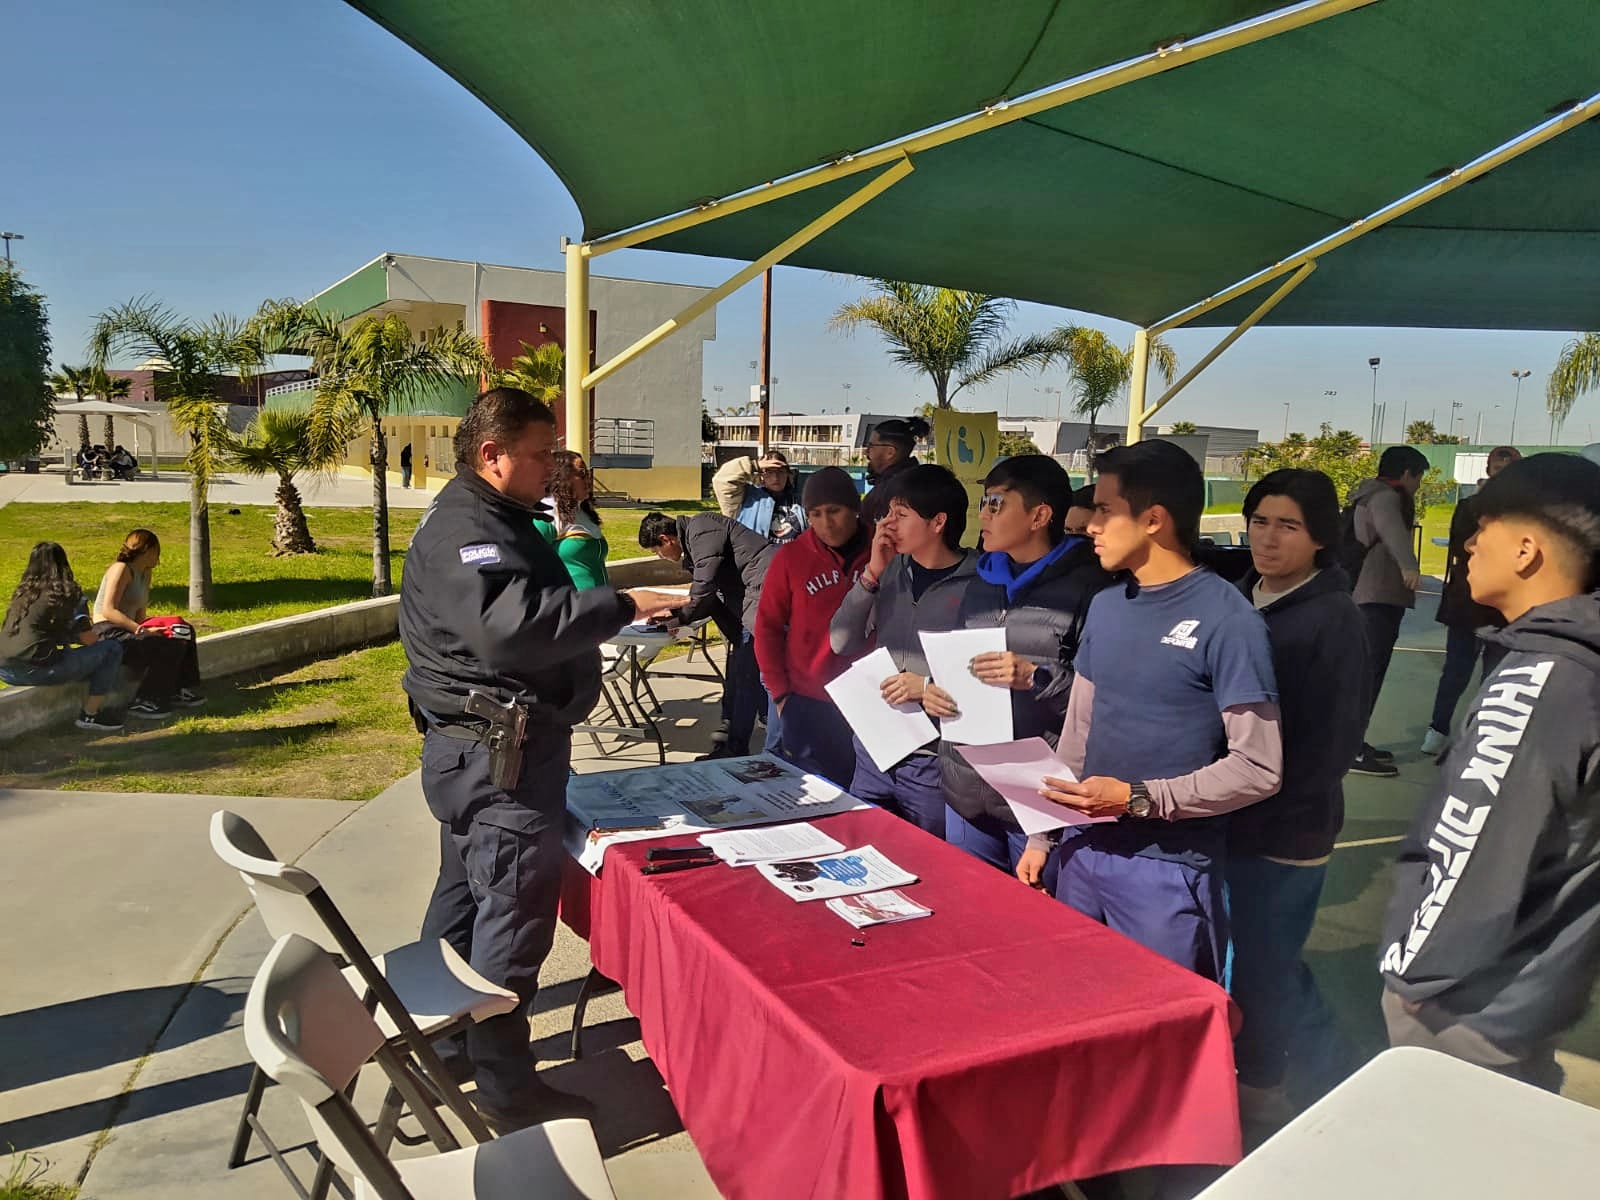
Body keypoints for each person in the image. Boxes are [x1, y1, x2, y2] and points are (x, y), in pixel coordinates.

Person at [400, 387, 678, 1130]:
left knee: (464, 898)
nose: (551, 467)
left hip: (478, 755)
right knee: (512, 921)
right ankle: (506, 1087)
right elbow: (510, 628)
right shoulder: (468, 526)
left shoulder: (489, 515)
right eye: (539, 453)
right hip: (500, 765)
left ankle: (448, 1043)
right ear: (491, 455)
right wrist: (624, 605)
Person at [1021, 440, 1282, 982]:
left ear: (1155, 520)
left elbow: (1259, 767)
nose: (1091, 524)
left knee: (1159, 1037)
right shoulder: (1107, 605)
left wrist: (1140, 798)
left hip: (1166, 870)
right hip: (1082, 853)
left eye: (1106, 510)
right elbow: (1080, 731)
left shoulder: (1229, 621)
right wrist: (1044, 835)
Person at [1380, 453, 1600, 1091]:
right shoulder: (1564, 662)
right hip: (1520, 995)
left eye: (1483, 527)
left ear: (1528, 548)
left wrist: (1416, 974)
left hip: (1467, 1010)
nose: (1469, 543)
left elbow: (1477, 845)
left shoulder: (1542, 679)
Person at [1229, 469, 1366, 1118]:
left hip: (1286, 832)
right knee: (1259, 959)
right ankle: (1319, 1074)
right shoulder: (1235, 596)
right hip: (1220, 818)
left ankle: (1307, 1084)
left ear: (1318, 538)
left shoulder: (1333, 618)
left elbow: (1328, 749)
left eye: (1288, 526)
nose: (1269, 538)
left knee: (1268, 967)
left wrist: (1249, 802)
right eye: (1260, 521)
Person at [929, 455, 1110, 874]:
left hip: (1038, 803)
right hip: (967, 792)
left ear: (1039, 515)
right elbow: (961, 668)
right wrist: (936, 693)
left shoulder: (1093, 590)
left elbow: (1102, 706)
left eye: (997, 504)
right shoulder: (981, 580)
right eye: (984, 503)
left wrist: (1035, 678)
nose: (983, 515)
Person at [830, 463, 977, 834]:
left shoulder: (981, 585)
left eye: (901, 514)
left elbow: (985, 682)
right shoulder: (891, 572)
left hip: (932, 762)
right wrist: (871, 575)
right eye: (887, 514)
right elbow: (841, 641)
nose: (887, 525)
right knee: (860, 847)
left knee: (927, 867)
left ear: (938, 522)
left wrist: (925, 686)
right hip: (873, 748)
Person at [752, 467, 870, 784]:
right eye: (815, 514)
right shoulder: (791, 558)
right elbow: (767, 628)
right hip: (809, 700)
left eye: (834, 511)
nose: (825, 523)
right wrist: (781, 695)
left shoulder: (884, 554)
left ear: (855, 507)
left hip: (871, 701)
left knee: (867, 801)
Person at [639, 509, 775, 757]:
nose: (660, 556)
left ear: (666, 539)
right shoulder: (695, 541)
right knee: (742, 668)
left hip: (764, 592)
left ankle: (736, 749)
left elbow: (704, 588)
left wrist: (681, 617)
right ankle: (749, 727)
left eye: (656, 551)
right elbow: (710, 597)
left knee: (746, 673)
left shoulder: (701, 528)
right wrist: (674, 616)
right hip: (756, 597)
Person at [1422, 445, 1522, 755]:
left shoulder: (1520, 511)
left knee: (1486, 672)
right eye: (1499, 468)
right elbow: (1460, 547)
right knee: (1464, 670)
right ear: (1489, 471)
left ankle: (1466, 733)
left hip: (1496, 603)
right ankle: (1443, 731)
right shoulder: (1474, 508)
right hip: (1474, 601)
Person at [1345, 444, 1429, 776]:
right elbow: (1392, 529)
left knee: (1366, 675)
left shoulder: (1368, 492)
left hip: (1372, 595)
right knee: (1368, 676)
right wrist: (1409, 567)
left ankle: (1354, 742)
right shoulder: (1384, 496)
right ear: (1407, 472)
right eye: (1418, 477)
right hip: (1376, 596)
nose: (1418, 485)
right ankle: (1350, 749)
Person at [0, 542, 124, 731]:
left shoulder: (22, 594)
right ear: (63, 563)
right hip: (37, 670)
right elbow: (88, 639)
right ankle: (90, 715)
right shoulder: (67, 593)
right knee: (112, 649)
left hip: (6, 671)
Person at [92, 528, 204, 718]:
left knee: (182, 632)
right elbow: (108, 610)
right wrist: (141, 630)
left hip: (130, 628)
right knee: (166, 648)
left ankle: (179, 688)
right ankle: (146, 700)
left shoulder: (145, 573)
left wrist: (153, 629)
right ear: (146, 550)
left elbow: (139, 612)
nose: (158, 557)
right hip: (107, 631)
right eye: (156, 551)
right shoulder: (121, 569)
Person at [531, 450, 609, 589]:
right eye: (582, 474)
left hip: (599, 604)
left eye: (588, 474)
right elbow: (529, 564)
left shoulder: (584, 512)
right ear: (562, 477)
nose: (588, 480)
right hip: (571, 606)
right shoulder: (548, 514)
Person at [711, 448, 806, 545]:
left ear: (788, 474)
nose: (775, 477)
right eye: (769, 472)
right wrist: (754, 465)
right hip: (755, 559)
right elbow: (721, 480)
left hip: (792, 558)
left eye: (780, 471)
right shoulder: (744, 497)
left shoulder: (801, 502)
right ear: (761, 475)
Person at [859, 416, 929, 527]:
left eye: (871, 446)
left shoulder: (889, 492)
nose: (866, 452)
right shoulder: (923, 481)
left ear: (890, 452)